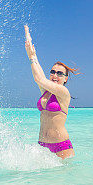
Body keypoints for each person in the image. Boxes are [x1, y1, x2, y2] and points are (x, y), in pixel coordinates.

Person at [24, 25, 77, 159]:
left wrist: (31, 56)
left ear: (65, 78)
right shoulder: (46, 92)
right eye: (52, 72)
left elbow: (39, 78)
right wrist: (32, 55)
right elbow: (39, 77)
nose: (55, 75)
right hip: (42, 145)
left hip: (61, 146)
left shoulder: (64, 92)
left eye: (60, 73)